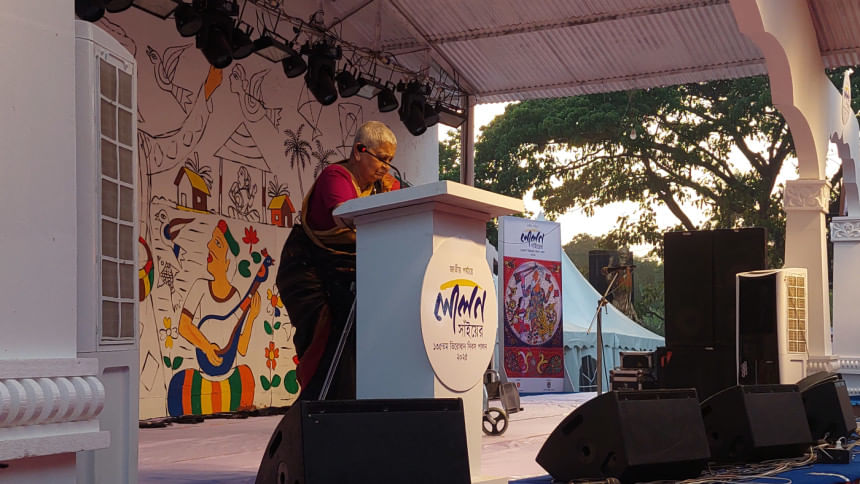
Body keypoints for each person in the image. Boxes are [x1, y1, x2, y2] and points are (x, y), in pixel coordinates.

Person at [276, 121, 400, 400]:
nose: (385, 168)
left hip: (345, 275)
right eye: (381, 158)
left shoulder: (385, 185)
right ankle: (317, 404)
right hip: (307, 270)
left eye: (390, 161)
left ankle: (347, 401)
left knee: (357, 334)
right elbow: (348, 216)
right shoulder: (336, 177)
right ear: (358, 150)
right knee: (321, 336)